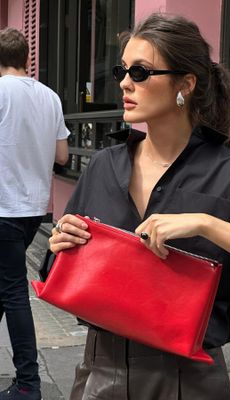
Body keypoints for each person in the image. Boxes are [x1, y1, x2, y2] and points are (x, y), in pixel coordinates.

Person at [48, 13, 230, 400]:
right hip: (98, 374)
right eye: (122, 70)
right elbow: (60, 269)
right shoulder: (105, 166)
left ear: (186, 84)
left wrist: (210, 225)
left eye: (140, 72)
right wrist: (63, 240)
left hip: (187, 381)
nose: (125, 82)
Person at [0, 28, 70, 400]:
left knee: (13, 292)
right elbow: (62, 156)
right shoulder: (51, 97)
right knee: (5, 286)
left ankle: (29, 383)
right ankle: (25, 379)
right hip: (33, 210)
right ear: (27, 57)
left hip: (3, 206)